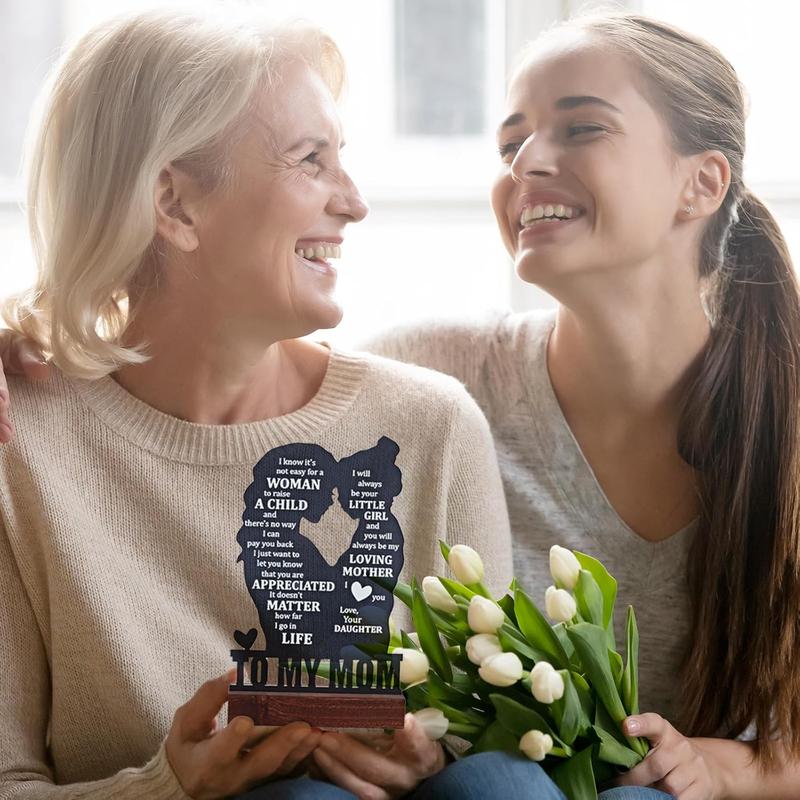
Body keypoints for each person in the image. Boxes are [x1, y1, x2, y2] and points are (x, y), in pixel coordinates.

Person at [6, 8, 800, 800]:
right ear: (174, 205)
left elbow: (481, 742)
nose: (525, 165)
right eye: (508, 144)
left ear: (704, 181)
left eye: (584, 128)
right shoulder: (431, 378)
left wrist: (726, 769)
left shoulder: (427, 414)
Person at [0, 8, 519, 799]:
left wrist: (433, 767)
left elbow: (507, 733)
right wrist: (168, 789)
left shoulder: (432, 426)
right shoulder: (20, 447)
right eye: (311, 161)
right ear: (174, 206)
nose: (353, 202)